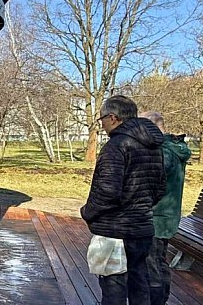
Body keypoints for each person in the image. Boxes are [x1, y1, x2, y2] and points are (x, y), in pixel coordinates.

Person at [81, 95, 166, 305]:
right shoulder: (154, 146)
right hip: (142, 228)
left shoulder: (116, 146)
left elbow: (107, 192)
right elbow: (160, 187)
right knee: (139, 283)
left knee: (114, 286)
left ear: (113, 117)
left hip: (115, 231)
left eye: (101, 119)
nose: (101, 125)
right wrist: (142, 207)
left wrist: (87, 212)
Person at [140, 111, 191, 305]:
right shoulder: (170, 148)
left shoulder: (164, 152)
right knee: (157, 261)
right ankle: (158, 298)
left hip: (157, 216)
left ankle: (156, 300)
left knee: (153, 263)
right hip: (164, 215)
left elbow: (151, 179)